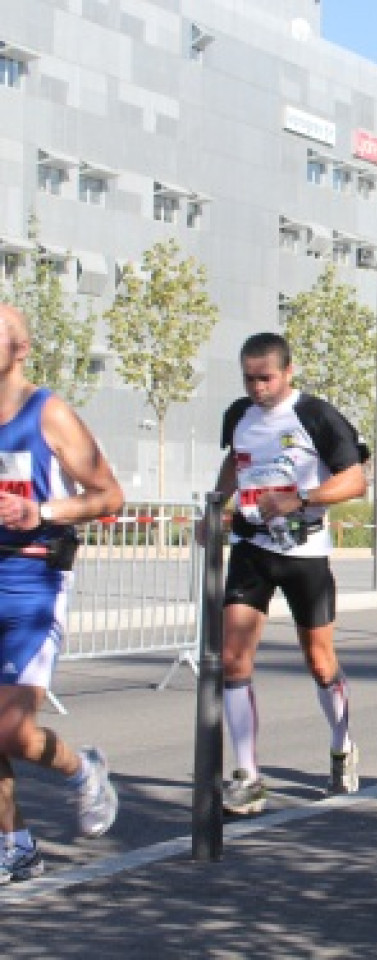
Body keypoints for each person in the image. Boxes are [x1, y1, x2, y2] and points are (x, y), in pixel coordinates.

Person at [206, 333, 369, 815]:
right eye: (248, 378)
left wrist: (301, 499)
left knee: (320, 661)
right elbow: (234, 463)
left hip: (304, 550)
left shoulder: (316, 415)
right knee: (234, 660)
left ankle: (342, 747)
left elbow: (355, 479)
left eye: (265, 378)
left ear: (288, 372)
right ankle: (248, 776)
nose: (256, 387)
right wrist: (216, 507)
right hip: (252, 546)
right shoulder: (238, 415)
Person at [0, 303, 125, 882]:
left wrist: (41, 510)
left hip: (32, 581)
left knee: (7, 729)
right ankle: (16, 845)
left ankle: (84, 771)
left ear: (19, 350)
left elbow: (109, 496)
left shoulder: (48, 413)